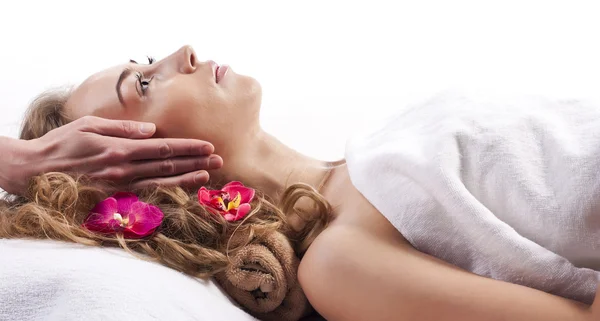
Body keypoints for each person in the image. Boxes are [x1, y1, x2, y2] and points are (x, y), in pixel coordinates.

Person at [2, 44, 600, 321]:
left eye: (148, 57)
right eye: (144, 86)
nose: (183, 53)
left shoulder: (372, 149)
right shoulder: (337, 264)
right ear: (135, 172)